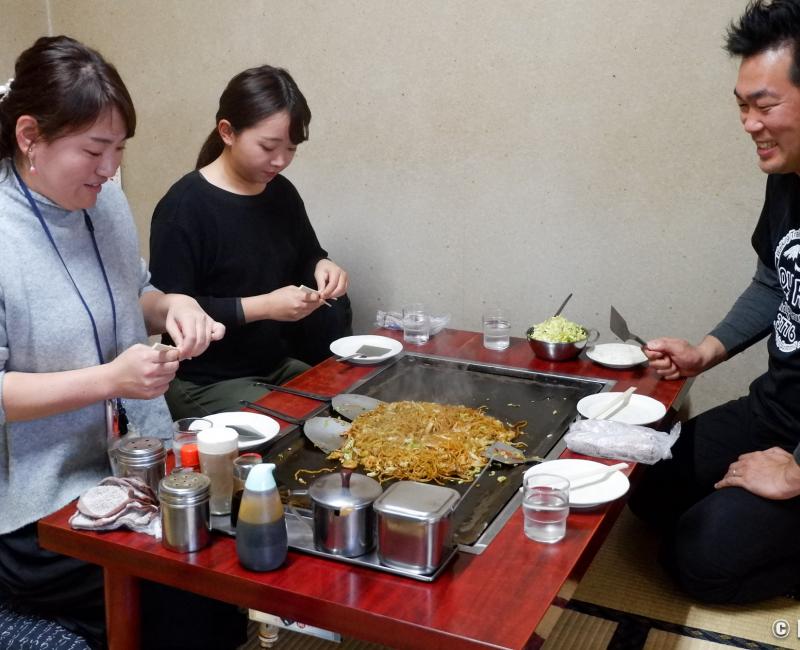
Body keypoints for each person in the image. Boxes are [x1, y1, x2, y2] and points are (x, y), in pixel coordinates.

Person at [0, 36, 246, 649]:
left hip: (137, 463)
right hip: (38, 508)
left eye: (119, 149)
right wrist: (111, 378)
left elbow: (133, 292)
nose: (111, 169)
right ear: (29, 136)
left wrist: (174, 305)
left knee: (227, 542)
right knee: (181, 582)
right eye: (94, 149)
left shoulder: (101, 199)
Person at [629, 0, 800, 605]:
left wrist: (795, 470)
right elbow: (772, 280)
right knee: (646, 491)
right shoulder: (787, 177)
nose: (749, 123)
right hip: (775, 413)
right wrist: (706, 352)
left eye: (765, 105)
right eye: (742, 106)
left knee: (698, 560)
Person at [149, 65, 350, 420]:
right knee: (299, 427)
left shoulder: (281, 193)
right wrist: (265, 307)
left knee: (349, 405)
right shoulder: (185, 206)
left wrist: (323, 267)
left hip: (273, 365)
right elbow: (170, 313)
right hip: (204, 379)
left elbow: (308, 254)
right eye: (268, 147)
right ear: (227, 132)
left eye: (291, 149)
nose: (281, 161)